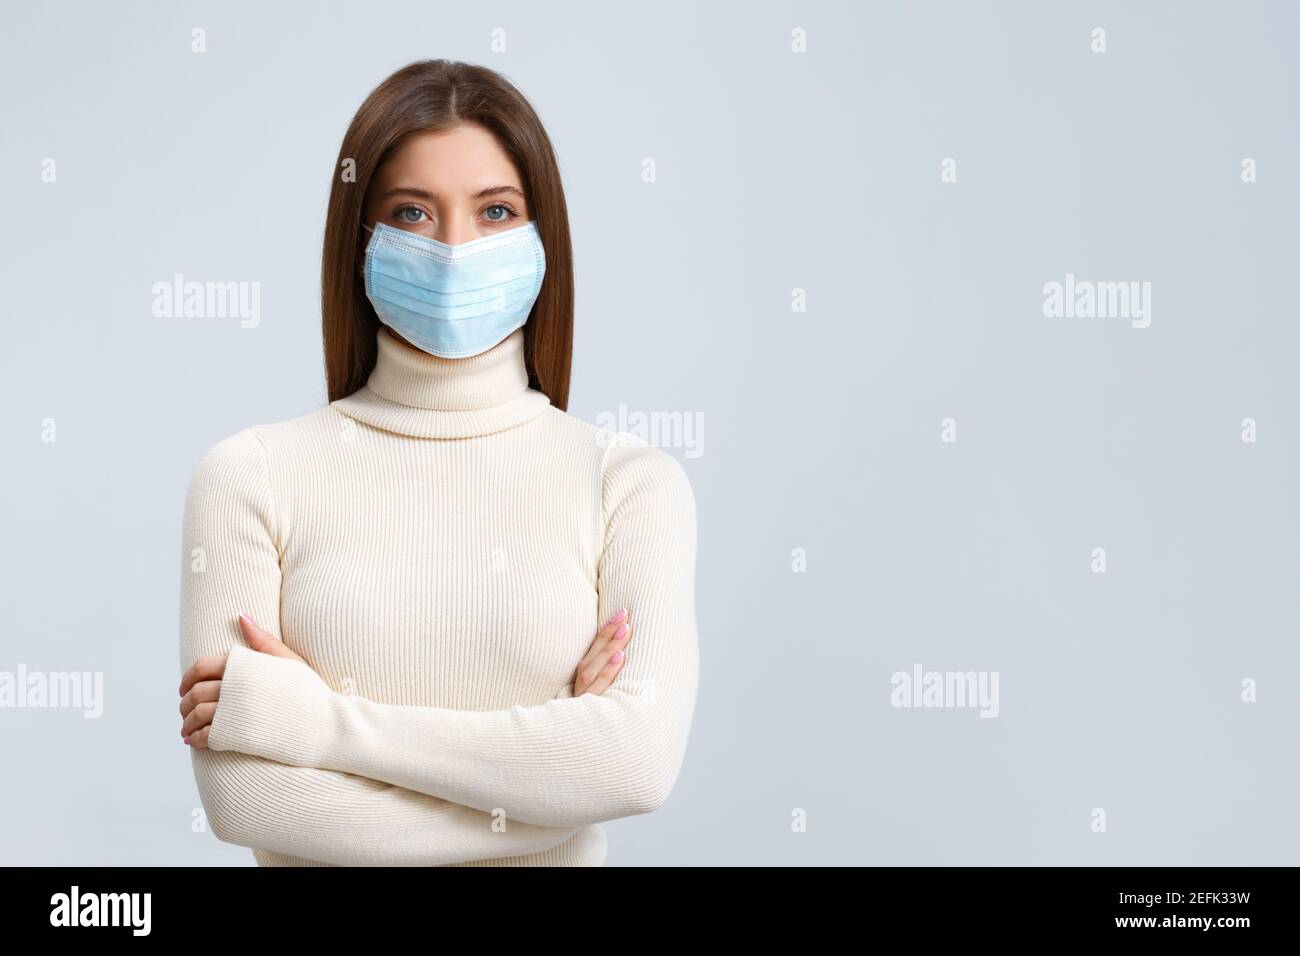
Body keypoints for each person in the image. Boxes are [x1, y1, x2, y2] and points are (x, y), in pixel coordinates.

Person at [174, 59, 699, 866]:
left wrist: (317, 725)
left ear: (541, 236)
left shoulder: (627, 483)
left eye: (495, 211)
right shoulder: (252, 476)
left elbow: (634, 765)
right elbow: (248, 802)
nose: (456, 249)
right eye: (413, 212)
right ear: (360, 238)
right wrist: (550, 773)